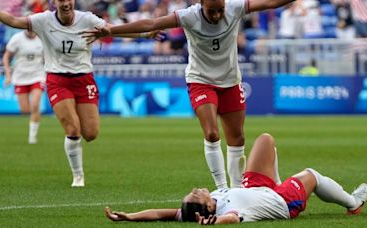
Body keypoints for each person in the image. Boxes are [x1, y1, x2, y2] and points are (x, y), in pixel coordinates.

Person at [81, 0, 296, 189]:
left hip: (230, 81)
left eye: (220, 10)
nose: (217, 15)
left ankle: (237, 188)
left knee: (237, 138)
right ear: (201, 5)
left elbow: (270, 3)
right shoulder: (188, 16)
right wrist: (112, 30)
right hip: (200, 81)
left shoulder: (234, 7)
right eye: (212, 11)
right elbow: (152, 24)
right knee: (212, 133)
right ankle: (222, 189)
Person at [0, 0, 159, 187]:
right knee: (72, 129)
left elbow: (112, 29)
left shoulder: (87, 19)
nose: (66, 3)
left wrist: (145, 34)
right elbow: (13, 20)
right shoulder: (43, 20)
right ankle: (78, 176)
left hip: (84, 79)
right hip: (58, 80)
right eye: (61, 0)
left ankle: (74, 156)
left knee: (91, 133)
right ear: (54, 3)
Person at [105, 133, 367, 224]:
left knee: (266, 141)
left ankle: (276, 182)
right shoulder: (228, 210)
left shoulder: (195, 209)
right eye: (197, 194)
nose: (196, 189)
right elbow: (231, 219)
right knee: (311, 174)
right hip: (281, 202)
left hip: (257, 187)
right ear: (208, 208)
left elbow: (162, 214)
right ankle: (353, 202)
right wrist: (216, 222)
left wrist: (131, 215)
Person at [3, 30, 46, 144]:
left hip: (38, 76)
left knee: (36, 105)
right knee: (25, 110)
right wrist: (8, 75)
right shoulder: (17, 38)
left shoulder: (42, 38)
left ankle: (32, 136)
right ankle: (33, 120)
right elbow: (6, 56)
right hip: (20, 77)